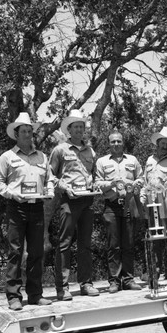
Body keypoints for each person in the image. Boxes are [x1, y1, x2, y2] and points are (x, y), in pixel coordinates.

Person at [0, 112, 54, 311]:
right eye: (24, 131)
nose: (27, 134)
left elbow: (50, 179)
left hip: (37, 207)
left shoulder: (42, 157)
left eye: (30, 131)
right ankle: (13, 296)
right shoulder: (7, 157)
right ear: (16, 135)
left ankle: (35, 295)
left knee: (37, 252)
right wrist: (12, 194)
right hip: (16, 207)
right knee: (15, 251)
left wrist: (50, 190)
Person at [49, 109, 99, 301]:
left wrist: (94, 183)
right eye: (75, 127)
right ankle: (62, 287)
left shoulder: (90, 151)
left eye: (82, 127)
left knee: (85, 244)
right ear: (69, 129)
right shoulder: (60, 150)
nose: (79, 130)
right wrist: (62, 186)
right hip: (69, 201)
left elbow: (93, 174)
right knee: (64, 243)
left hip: (87, 200)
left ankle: (86, 283)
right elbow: (50, 176)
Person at [95, 131, 144, 293]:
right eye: (113, 142)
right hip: (111, 206)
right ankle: (114, 281)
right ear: (109, 144)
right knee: (113, 245)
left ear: (123, 143)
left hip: (129, 205)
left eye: (119, 141)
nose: (116, 144)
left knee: (128, 244)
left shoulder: (132, 160)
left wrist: (136, 183)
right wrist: (112, 183)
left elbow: (141, 178)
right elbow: (97, 183)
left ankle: (128, 279)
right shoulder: (102, 162)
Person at [141, 126, 167, 280]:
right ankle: (156, 269)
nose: (165, 146)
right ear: (157, 143)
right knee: (154, 236)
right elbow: (146, 181)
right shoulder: (149, 160)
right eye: (162, 143)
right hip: (152, 204)